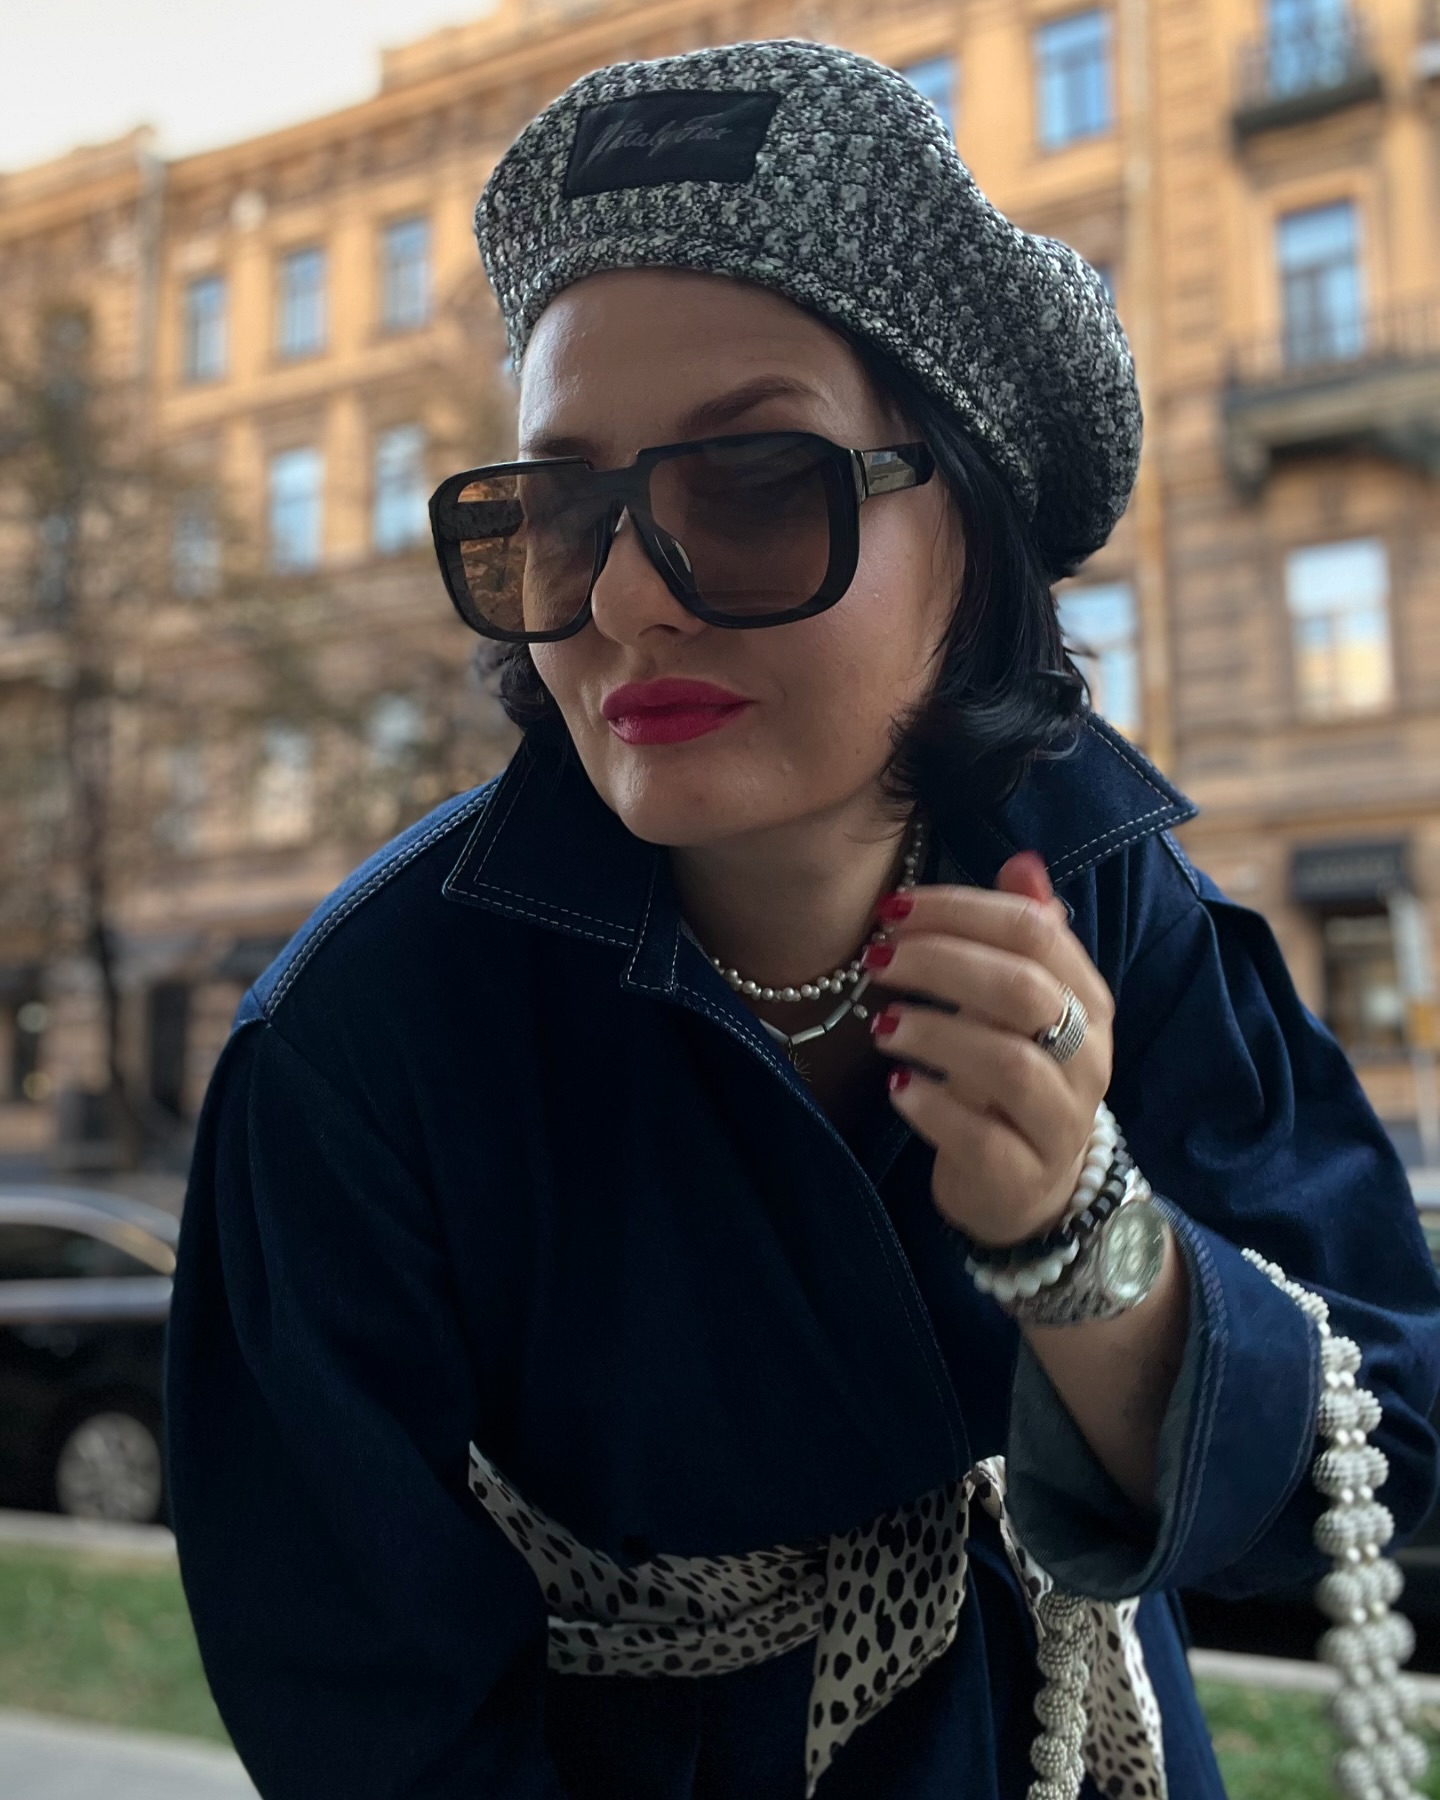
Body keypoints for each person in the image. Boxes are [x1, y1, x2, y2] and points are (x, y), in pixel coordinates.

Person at [165, 39, 1440, 1800]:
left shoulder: (1113, 891)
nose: (627, 598)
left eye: (760, 482)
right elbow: (365, 1710)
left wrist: (1087, 1250)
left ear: (971, 529)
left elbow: (1380, 1451)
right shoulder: (354, 1044)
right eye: (563, 509)